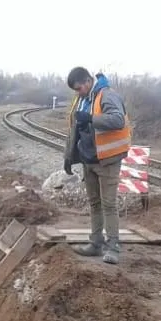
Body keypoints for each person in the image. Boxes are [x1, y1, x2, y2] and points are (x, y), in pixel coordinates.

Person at [62, 67, 133, 264]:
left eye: (79, 88)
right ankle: (96, 243)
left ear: (87, 81)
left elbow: (118, 120)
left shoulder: (107, 96)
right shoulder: (83, 99)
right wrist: (69, 157)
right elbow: (75, 129)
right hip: (89, 159)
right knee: (95, 204)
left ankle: (113, 246)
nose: (78, 92)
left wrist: (92, 119)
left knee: (109, 204)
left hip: (107, 160)